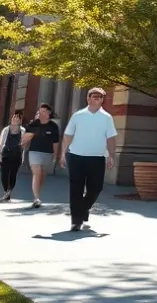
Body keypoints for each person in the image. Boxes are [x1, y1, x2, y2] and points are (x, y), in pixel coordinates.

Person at [60, 87, 117, 232]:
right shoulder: (78, 115)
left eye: (100, 96)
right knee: (76, 189)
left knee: (96, 188)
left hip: (97, 158)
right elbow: (68, 135)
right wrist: (62, 153)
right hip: (76, 157)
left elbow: (111, 138)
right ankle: (76, 221)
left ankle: (83, 209)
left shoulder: (107, 118)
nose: (97, 98)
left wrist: (111, 155)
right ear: (88, 98)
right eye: (95, 96)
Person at [22, 103, 60, 208]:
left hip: (47, 153)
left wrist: (55, 155)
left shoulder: (53, 126)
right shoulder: (33, 124)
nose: (41, 113)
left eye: (43, 111)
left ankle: (37, 195)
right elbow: (24, 138)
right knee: (37, 173)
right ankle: (36, 198)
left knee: (42, 176)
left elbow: (55, 142)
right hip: (34, 152)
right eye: (40, 111)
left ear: (49, 113)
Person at [0, 111, 26, 202]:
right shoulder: (6, 129)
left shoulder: (23, 130)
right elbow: (0, 143)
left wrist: (23, 157)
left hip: (17, 155)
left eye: (17, 118)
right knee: (4, 174)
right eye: (14, 118)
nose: (15, 120)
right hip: (6, 154)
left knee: (13, 175)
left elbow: (23, 145)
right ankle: (6, 191)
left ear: (20, 121)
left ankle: (9, 191)